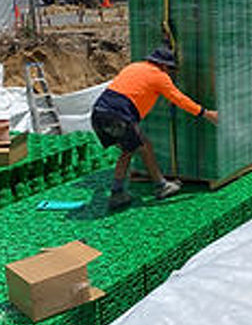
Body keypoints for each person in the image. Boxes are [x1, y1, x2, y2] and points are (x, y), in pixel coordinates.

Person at [90, 46, 218, 211]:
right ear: (163, 65)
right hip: (118, 115)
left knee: (129, 150)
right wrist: (205, 113)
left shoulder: (134, 67)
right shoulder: (159, 77)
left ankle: (117, 192)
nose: (170, 72)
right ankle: (161, 185)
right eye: (170, 68)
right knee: (144, 146)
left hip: (98, 113)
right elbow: (179, 99)